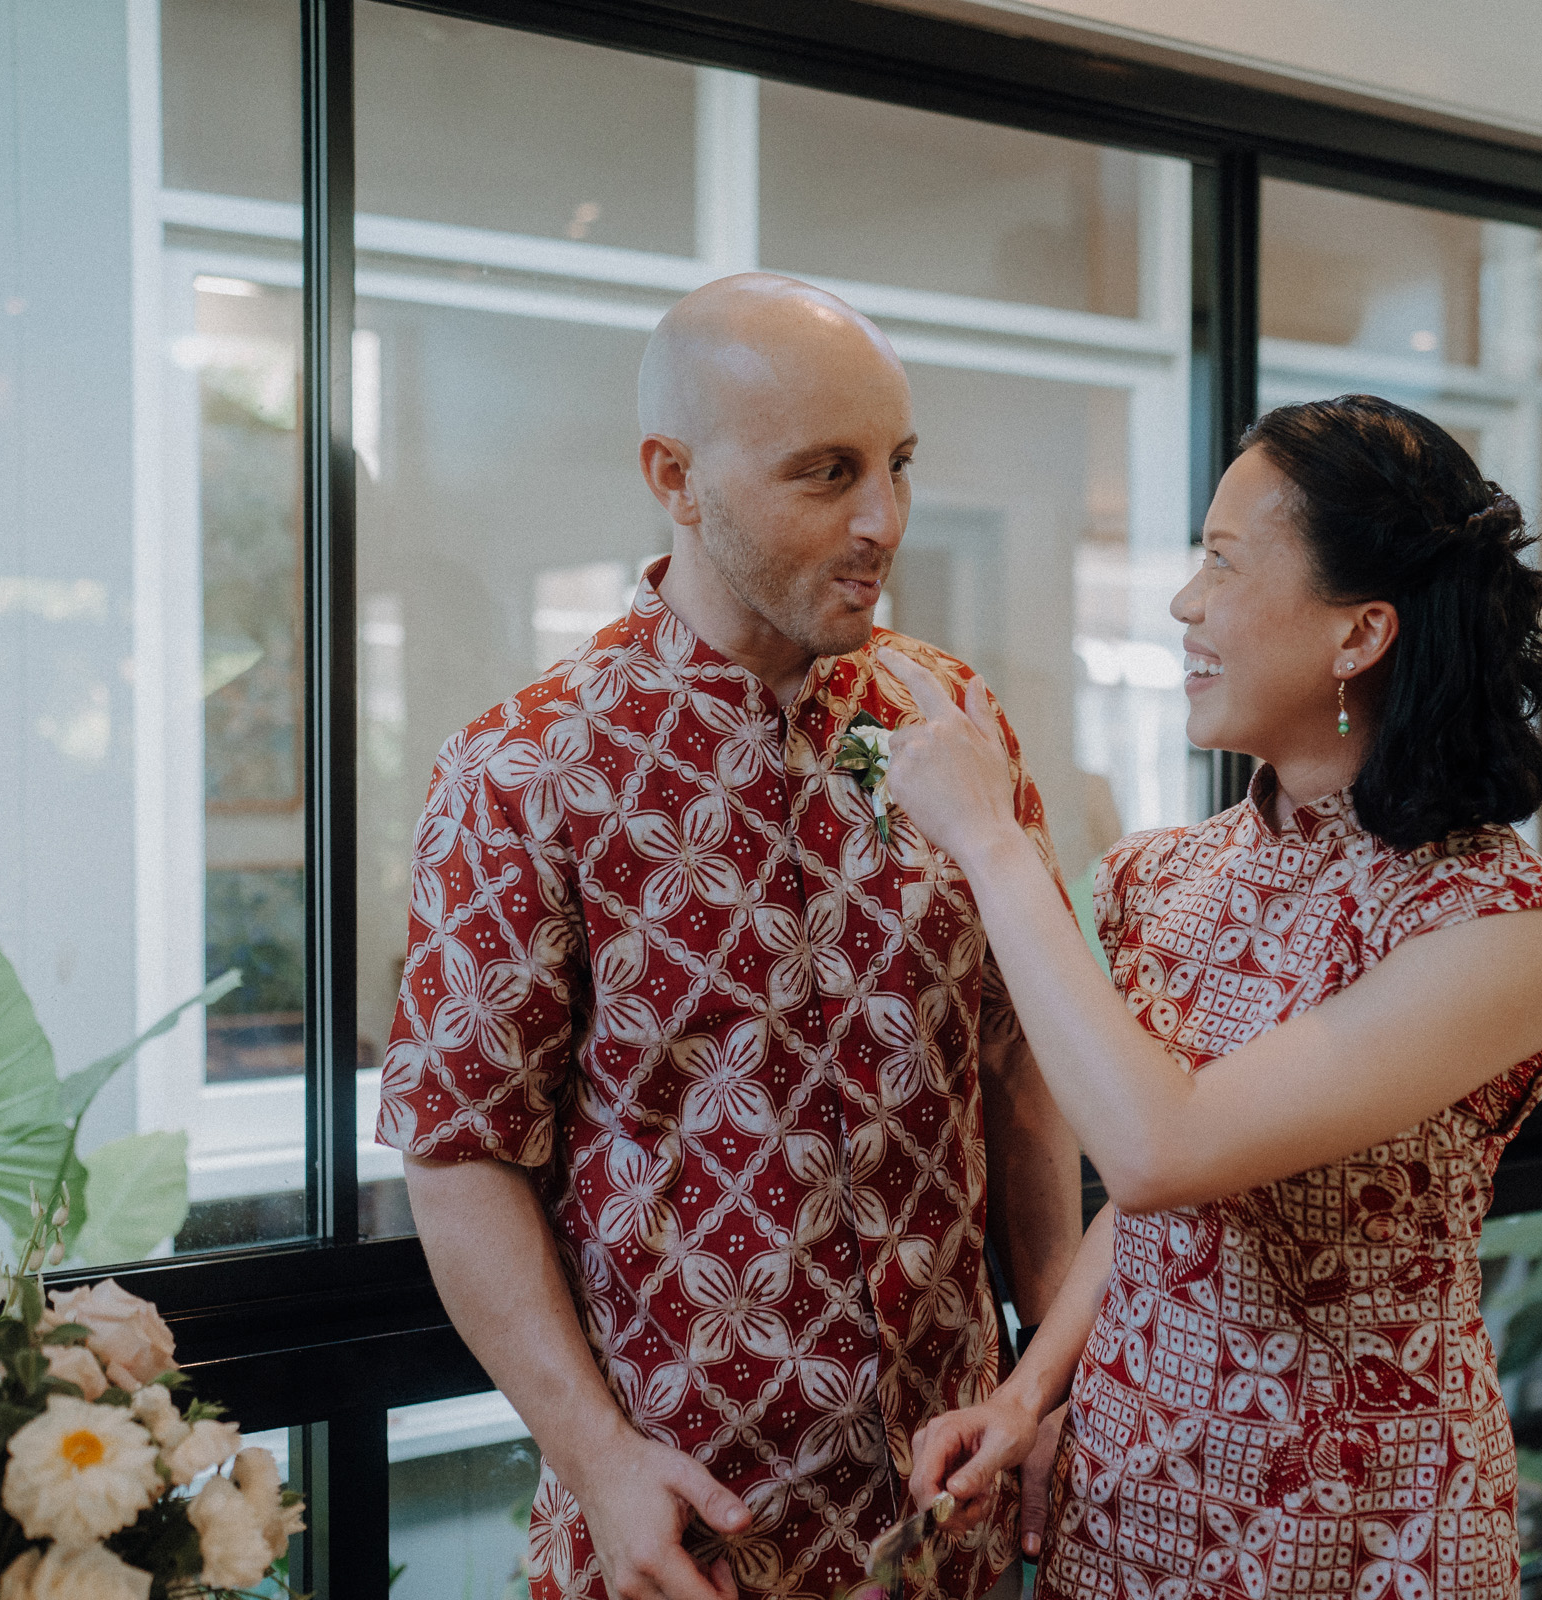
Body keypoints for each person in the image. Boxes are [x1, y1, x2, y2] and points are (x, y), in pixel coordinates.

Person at [376, 274, 1082, 1600]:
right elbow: (459, 1152)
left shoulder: (954, 721)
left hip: (956, 1517)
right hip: (687, 1533)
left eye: (897, 466)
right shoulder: (525, 770)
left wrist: (1050, 1361)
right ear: (675, 476)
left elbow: (1016, 1064)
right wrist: (591, 1457)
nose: (883, 521)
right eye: (825, 474)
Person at [880, 393, 1542, 1600]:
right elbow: (1155, 1215)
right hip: (1126, 1499)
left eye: (1222, 562)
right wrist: (1029, 1395)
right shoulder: (1159, 876)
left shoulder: (1503, 927)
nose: (1184, 604)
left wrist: (995, 843)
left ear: (1359, 633)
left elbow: (1165, 1149)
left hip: (1359, 1526)